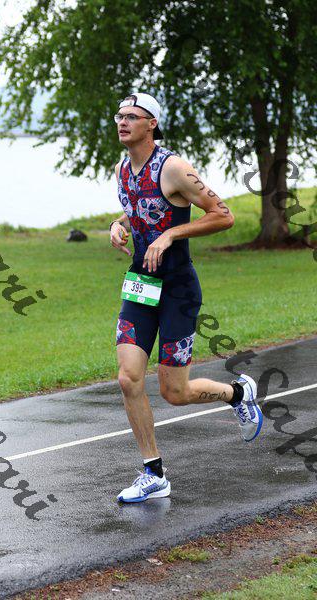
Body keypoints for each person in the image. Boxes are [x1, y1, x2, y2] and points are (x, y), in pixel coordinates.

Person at [110, 92, 263, 503]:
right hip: (141, 284)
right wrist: (118, 224)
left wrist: (171, 234)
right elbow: (139, 208)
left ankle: (237, 394)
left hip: (178, 289)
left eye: (132, 116)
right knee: (128, 378)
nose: (122, 122)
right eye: (119, 116)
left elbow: (223, 215)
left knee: (174, 393)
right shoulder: (123, 168)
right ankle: (153, 474)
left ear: (152, 124)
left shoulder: (174, 168)